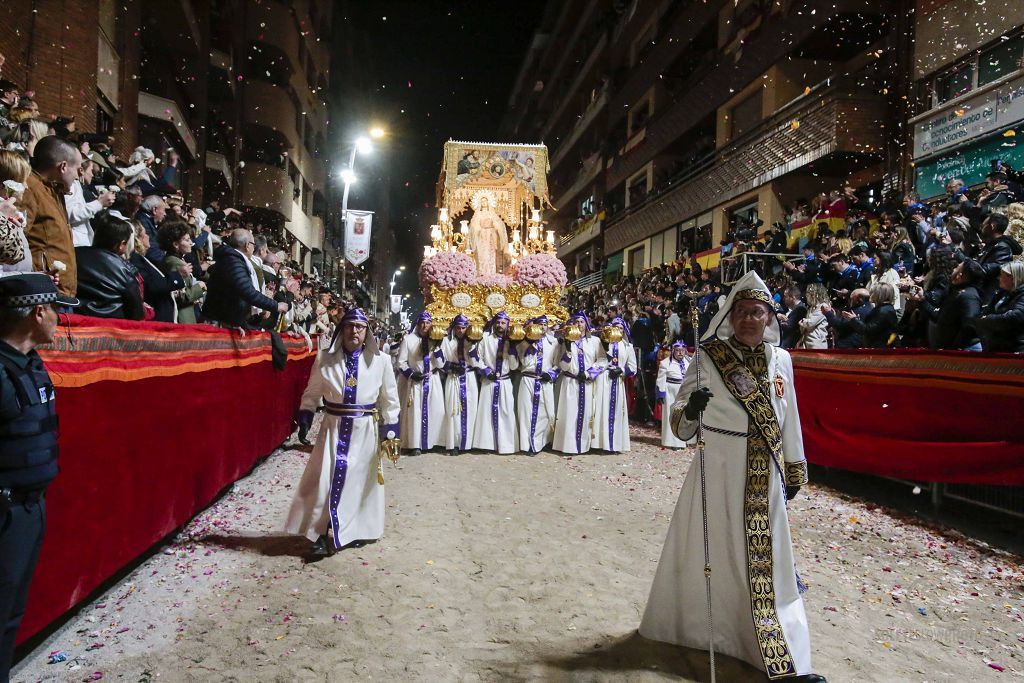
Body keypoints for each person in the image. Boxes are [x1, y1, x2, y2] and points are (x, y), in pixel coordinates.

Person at [640, 270, 823, 683]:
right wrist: (691, 409)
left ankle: (782, 655)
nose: (747, 319)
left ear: (769, 317)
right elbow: (682, 427)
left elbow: (788, 418)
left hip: (766, 476)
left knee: (768, 564)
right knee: (718, 556)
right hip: (717, 470)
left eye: (755, 312)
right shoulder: (708, 357)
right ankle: (713, 633)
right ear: (730, 315)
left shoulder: (782, 360)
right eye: (740, 311)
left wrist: (794, 469)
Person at [0, 273, 79, 681]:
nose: (59, 320)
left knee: (10, 613)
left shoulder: (28, 364)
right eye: (57, 311)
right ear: (38, 312)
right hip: (6, 509)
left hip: (29, 506)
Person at [284, 308, 401, 559]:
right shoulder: (325, 358)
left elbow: (390, 397)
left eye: (360, 327)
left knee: (359, 481)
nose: (354, 331)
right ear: (341, 329)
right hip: (333, 427)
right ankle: (321, 530)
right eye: (349, 326)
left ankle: (354, 530)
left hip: (364, 430)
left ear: (366, 332)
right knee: (326, 479)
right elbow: (313, 390)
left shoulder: (380, 361)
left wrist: (391, 428)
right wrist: (305, 413)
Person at [21, 136, 82, 296]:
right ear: (63, 166)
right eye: (77, 169)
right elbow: (17, 241)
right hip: (43, 291)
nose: (78, 176)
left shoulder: (53, 190)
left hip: (57, 290)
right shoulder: (30, 188)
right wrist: (37, 277)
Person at [203, 229, 288, 328]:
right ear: (247, 245)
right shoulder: (233, 261)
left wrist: (237, 323)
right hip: (218, 323)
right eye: (253, 244)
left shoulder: (234, 259)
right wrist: (276, 305)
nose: (254, 248)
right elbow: (247, 291)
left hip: (226, 321)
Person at [73, 211, 144, 320]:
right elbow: (136, 313)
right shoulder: (126, 270)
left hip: (75, 319)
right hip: (111, 327)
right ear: (121, 244)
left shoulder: (74, 254)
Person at [552, 312, 606, 454]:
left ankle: (583, 445)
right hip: (570, 382)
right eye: (576, 322)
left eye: (582, 321)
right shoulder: (565, 342)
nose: (579, 324)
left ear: (586, 324)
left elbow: (602, 360)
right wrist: (568, 350)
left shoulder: (594, 341)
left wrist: (589, 373)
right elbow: (562, 365)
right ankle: (567, 446)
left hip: (586, 383)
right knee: (569, 414)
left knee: (586, 413)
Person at [397, 312, 444, 456]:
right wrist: (411, 373)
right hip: (415, 383)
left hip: (432, 381)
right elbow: (401, 362)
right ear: (418, 324)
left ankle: (433, 441)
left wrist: (437, 347)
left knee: (436, 411)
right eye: (422, 323)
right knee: (414, 414)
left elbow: (441, 364)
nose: (425, 326)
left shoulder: (435, 340)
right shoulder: (408, 340)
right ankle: (414, 444)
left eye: (428, 323)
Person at [472, 311, 520, 454]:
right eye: (498, 322)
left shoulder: (512, 340)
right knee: (486, 412)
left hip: (505, 382)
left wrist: (512, 349)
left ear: (507, 325)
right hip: (489, 381)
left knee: (506, 411)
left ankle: (506, 445)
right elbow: (476, 357)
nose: (500, 325)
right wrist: (485, 370)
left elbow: (514, 366)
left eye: (503, 323)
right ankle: (486, 444)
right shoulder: (485, 338)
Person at [516, 315, 559, 454]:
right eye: (540, 324)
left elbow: (557, 363)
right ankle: (527, 444)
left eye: (545, 325)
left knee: (545, 413)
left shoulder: (554, 342)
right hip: (528, 380)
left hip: (544, 382)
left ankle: (540, 441)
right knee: (526, 413)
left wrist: (551, 374)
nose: (542, 327)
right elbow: (525, 362)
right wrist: (530, 344)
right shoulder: (524, 343)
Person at [437, 314, 478, 456]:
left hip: (469, 378)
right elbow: (439, 360)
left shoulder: (473, 341)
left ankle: (467, 443)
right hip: (453, 378)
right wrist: (450, 367)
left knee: (470, 410)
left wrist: (472, 347)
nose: (460, 331)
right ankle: (453, 443)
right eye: (458, 328)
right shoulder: (446, 341)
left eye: (463, 328)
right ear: (453, 328)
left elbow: (476, 363)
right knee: (452, 411)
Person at [593, 317, 636, 453]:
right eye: (616, 327)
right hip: (603, 379)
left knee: (617, 411)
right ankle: (600, 443)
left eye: (621, 328)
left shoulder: (628, 347)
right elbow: (597, 360)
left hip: (617, 381)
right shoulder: (603, 343)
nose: (618, 330)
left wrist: (621, 370)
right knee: (601, 410)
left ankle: (615, 444)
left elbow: (633, 367)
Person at [129, 222, 185, 323]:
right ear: (138, 239)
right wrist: (178, 276)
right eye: (145, 234)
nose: (148, 236)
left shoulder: (142, 258)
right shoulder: (136, 259)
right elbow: (153, 286)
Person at [157, 221, 205, 324]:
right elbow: (178, 295)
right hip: (182, 318)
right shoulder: (174, 262)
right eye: (187, 240)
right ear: (175, 244)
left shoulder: (175, 259)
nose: (191, 243)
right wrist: (200, 288)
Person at [975, 261, 1024, 353]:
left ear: (1013, 277)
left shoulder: (1022, 295)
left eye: (1002, 275)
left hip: (1015, 349)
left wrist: (988, 319)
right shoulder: (1002, 293)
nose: (999, 278)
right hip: (996, 346)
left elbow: (1015, 317)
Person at [655, 340, 690, 448]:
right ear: (673, 351)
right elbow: (661, 379)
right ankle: (672, 442)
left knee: (684, 416)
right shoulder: (665, 363)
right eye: (678, 350)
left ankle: (684, 440)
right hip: (671, 392)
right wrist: (660, 393)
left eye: (682, 350)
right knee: (672, 416)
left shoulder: (689, 362)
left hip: (685, 392)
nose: (680, 353)